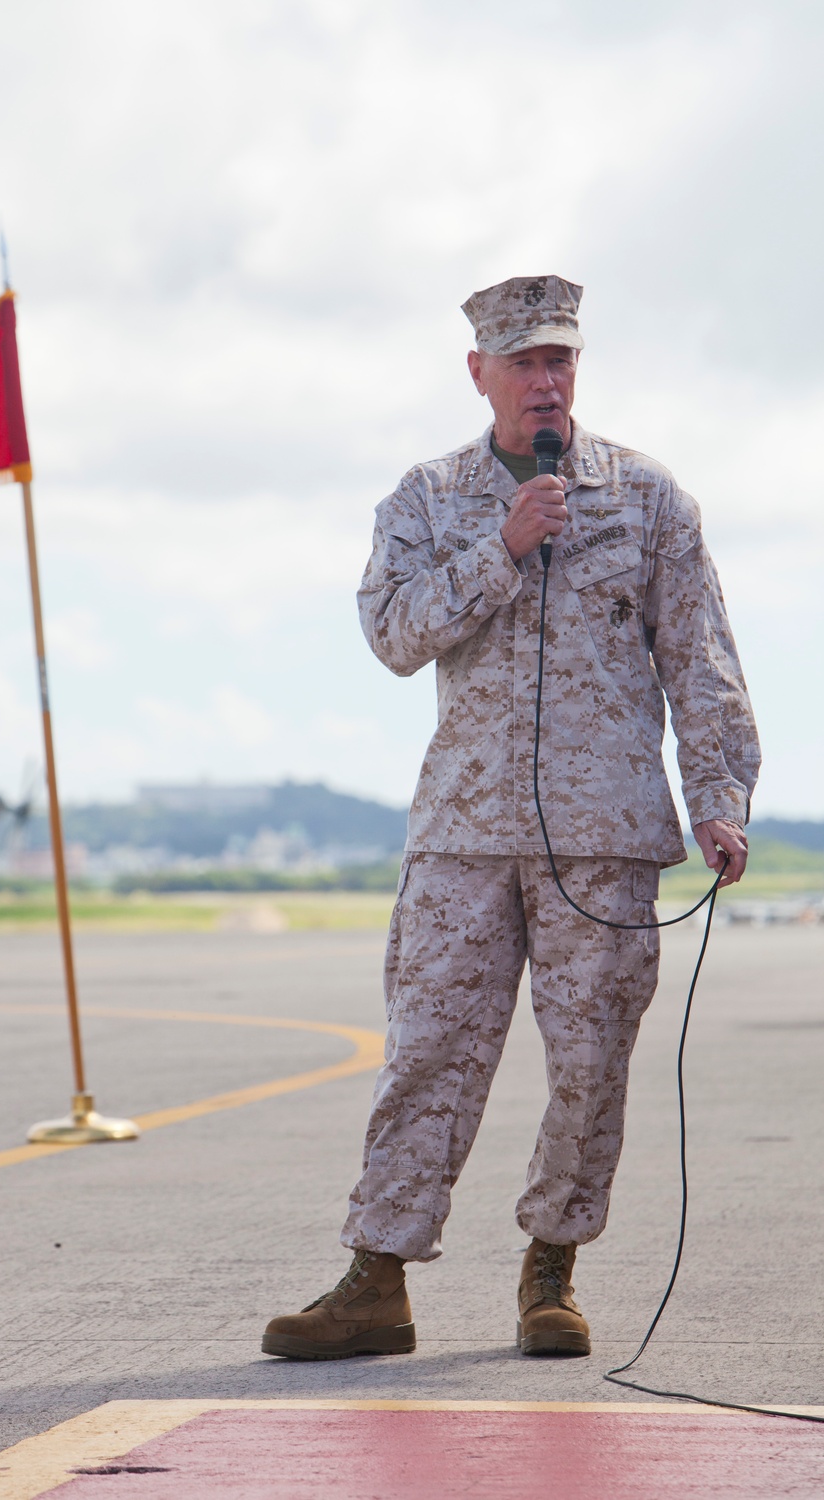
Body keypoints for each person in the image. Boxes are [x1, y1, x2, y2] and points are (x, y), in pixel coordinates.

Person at [262, 274, 759, 1362]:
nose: (546, 378)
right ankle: (376, 1278)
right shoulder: (428, 497)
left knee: (591, 1063)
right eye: (525, 360)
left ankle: (551, 1273)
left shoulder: (648, 498)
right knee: (428, 1052)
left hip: (606, 834)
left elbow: (701, 662)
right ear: (478, 370)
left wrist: (719, 798)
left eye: (561, 359)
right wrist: (503, 548)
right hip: (465, 831)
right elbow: (392, 635)